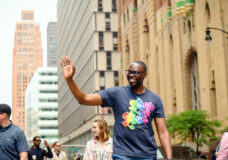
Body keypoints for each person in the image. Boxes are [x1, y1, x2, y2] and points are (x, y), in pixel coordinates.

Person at [60, 56, 173, 160]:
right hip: (122, 154)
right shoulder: (116, 93)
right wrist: (69, 80)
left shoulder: (155, 99)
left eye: (135, 72)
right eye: (129, 72)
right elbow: (84, 99)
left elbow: (163, 132)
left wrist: (169, 158)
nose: (131, 75)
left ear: (144, 75)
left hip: (148, 155)